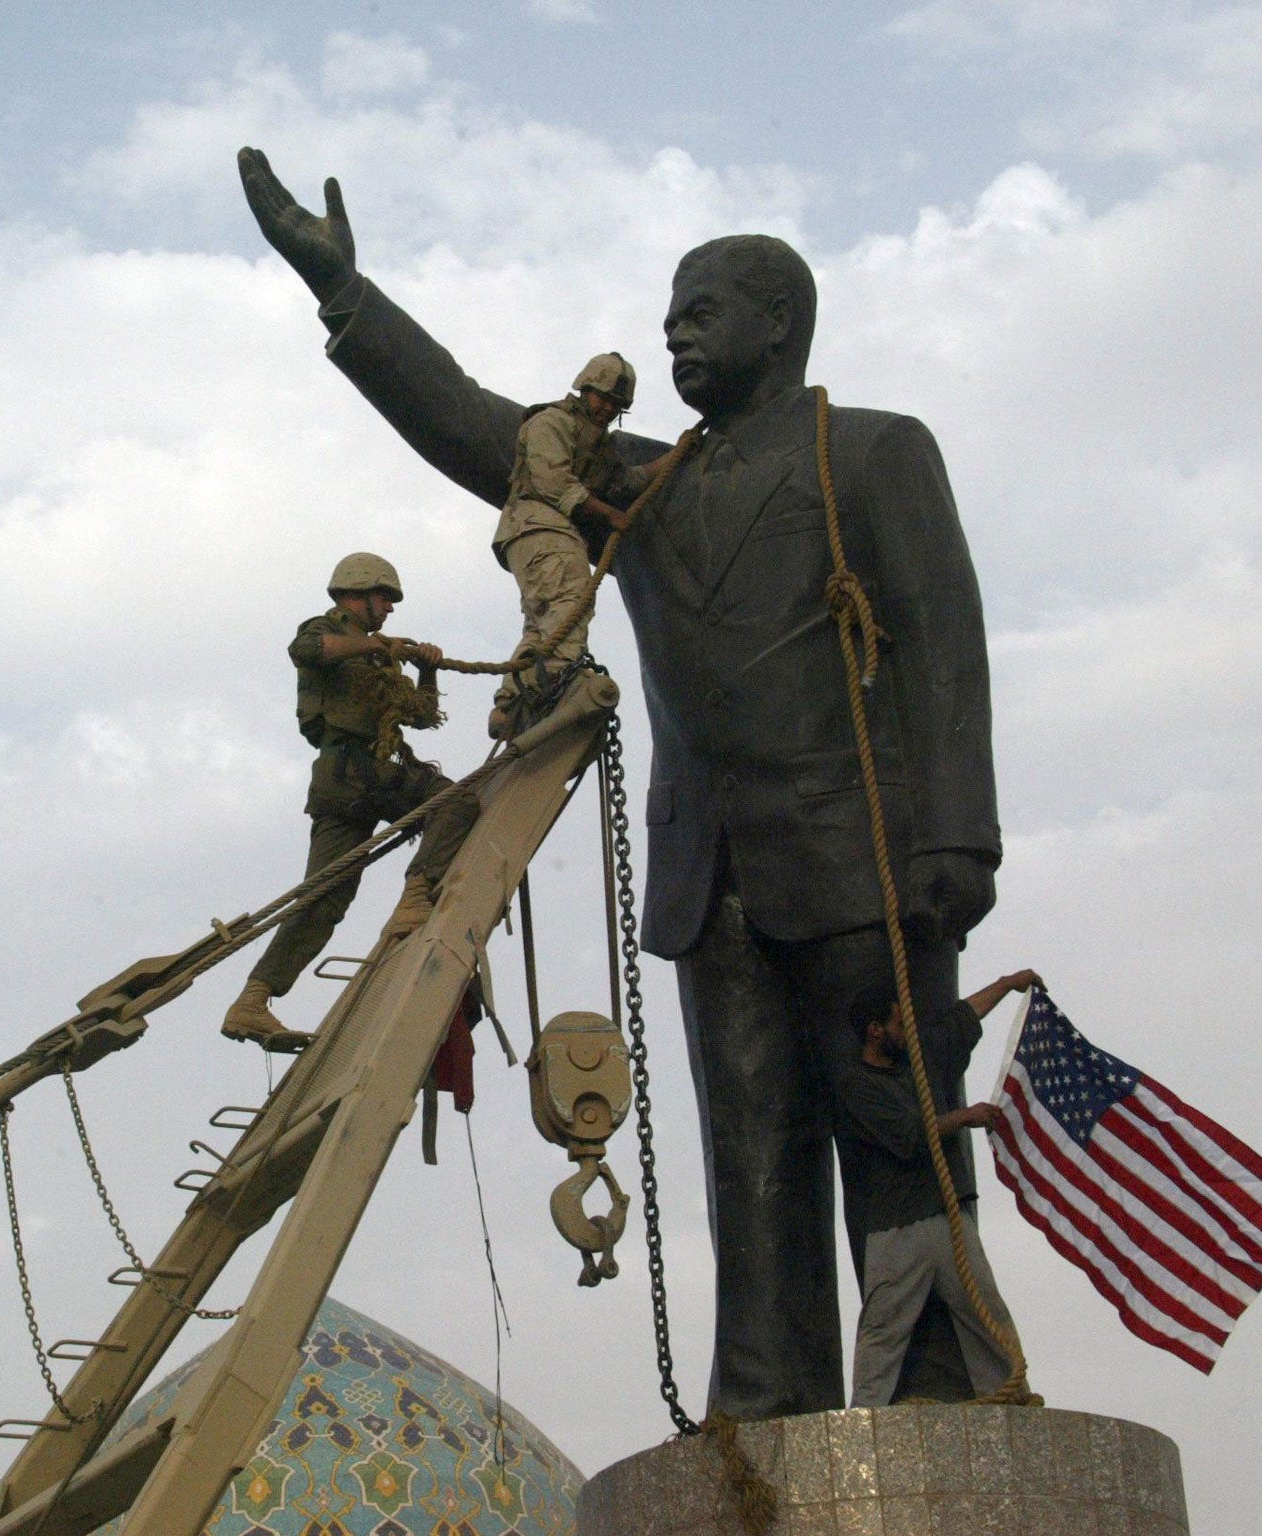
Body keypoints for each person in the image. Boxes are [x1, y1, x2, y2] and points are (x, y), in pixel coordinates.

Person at [239, 148, 1002, 1415]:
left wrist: (954, 848)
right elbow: (488, 429)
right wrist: (347, 300)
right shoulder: (641, 486)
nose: (672, 339)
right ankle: (764, 1405)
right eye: (666, 320)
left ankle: (936, 1391)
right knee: (746, 1157)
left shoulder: (869, 454)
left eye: (700, 316)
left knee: (893, 1129)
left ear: (779, 323)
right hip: (713, 880)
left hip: (866, 860)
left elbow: (940, 642)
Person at [222, 552, 480, 1053]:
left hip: (351, 777)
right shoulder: (330, 633)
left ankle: (253, 999)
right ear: (357, 593)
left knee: (323, 898)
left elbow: (422, 717)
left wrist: (425, 670)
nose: (388, 609)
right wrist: (381, 646)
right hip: (354, 770)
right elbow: (306, 648)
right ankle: (417, 895)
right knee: (457, 802)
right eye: (384, 598)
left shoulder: (375, 653)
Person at [835, 968, 1037, 1407]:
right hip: (896, 1227)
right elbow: (907, 1134)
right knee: (884, 1328)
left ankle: (1010, 1401)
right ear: (874, 1031)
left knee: (986, 1313)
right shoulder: (855, 1086)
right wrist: (965, 1117)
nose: (907, 1030)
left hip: (947, 1217)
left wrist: (1005, 984)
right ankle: (865, 1416)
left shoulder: (921, 1059)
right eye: (898, 1024)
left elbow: (963, 1020)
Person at [488, 354, 658, 736]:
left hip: (541, 531)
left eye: (617, 406)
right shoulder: (551, 422)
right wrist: (611, 516)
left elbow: (627, 481)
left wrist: (676, 456)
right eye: (603, 399)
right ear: (585, 389)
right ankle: (544, 690)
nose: (608, 409)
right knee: (573, 602)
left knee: (541, 622)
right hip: (537, 523)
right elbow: (554, 483)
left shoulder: (596, 445)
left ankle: (509, 705)